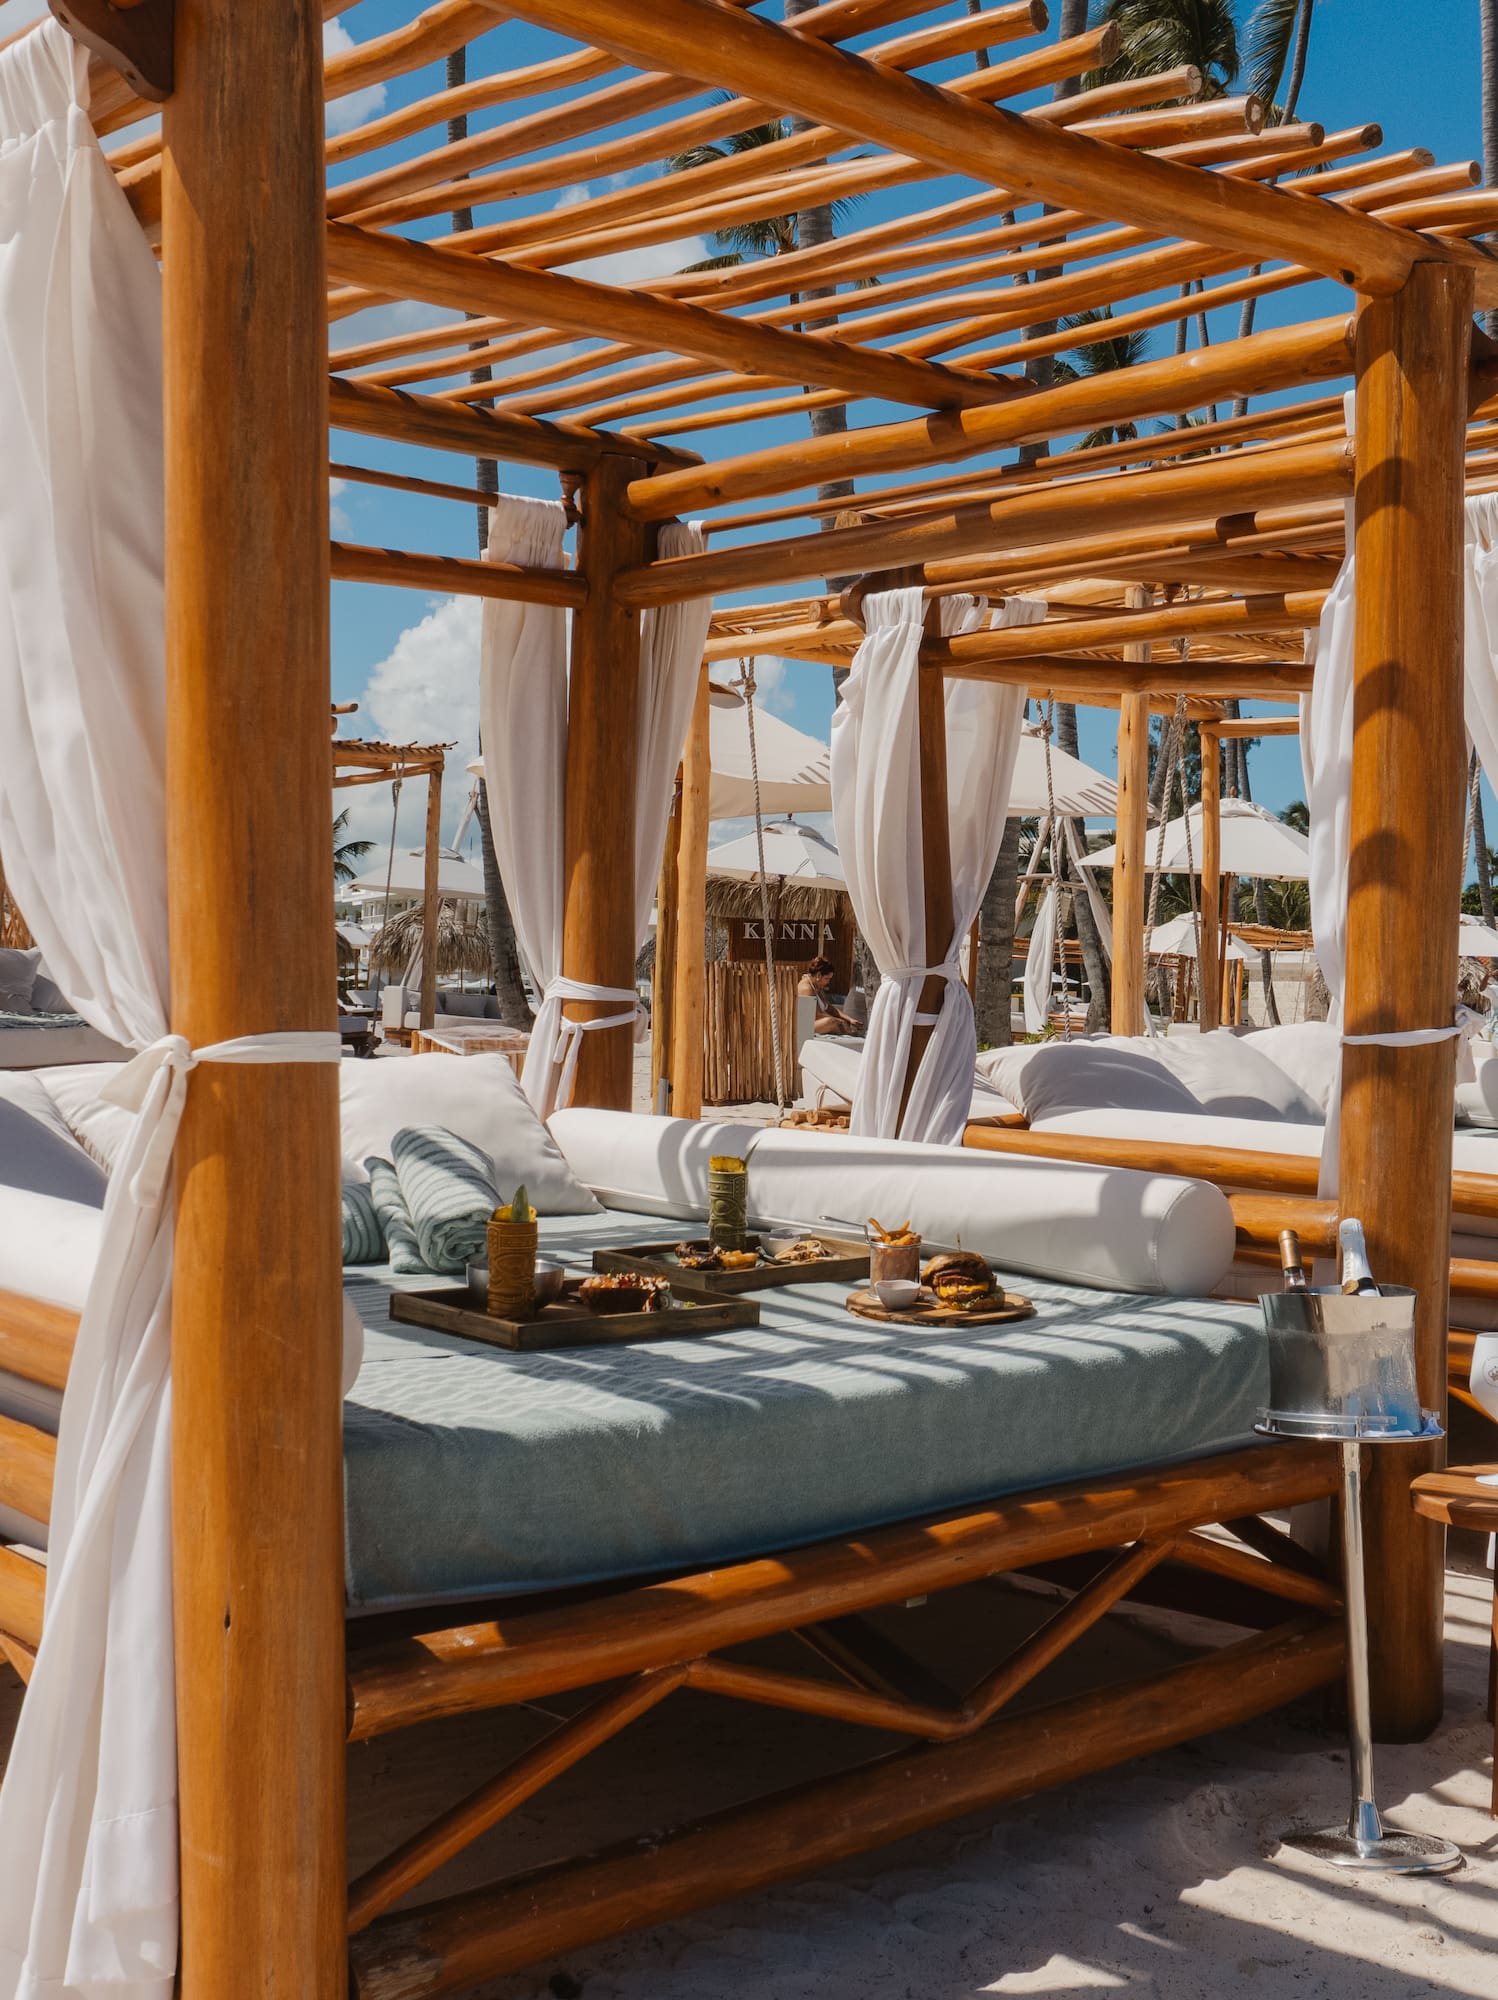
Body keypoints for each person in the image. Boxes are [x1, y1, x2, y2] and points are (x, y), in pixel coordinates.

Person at [798, 956, 862, 1036]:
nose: (828, 982)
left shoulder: (817, 986)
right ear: (818, 975)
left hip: (816, 1023)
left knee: (840, 1022)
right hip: (805, 1026)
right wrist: (838, 1021)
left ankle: (848, 1033)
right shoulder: (806, 989)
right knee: (831, 1022)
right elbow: (816, 1015)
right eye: (827, 978)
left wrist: (849, 1019)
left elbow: (829, 1007)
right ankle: (848, 1034)